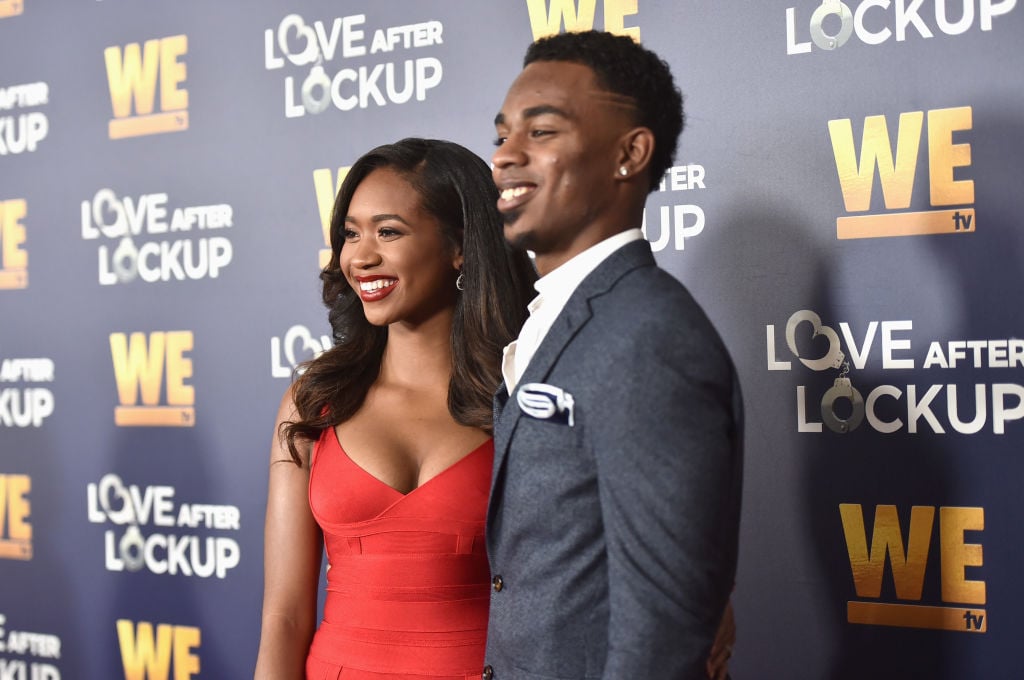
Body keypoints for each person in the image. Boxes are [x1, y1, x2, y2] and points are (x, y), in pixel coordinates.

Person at [484, 31, 744, 680]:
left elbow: (663, 632)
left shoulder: (648, 335)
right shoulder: (557, 314)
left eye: (542, 131)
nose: (506, 155)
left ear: (630, 154)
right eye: (502, 134)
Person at [254, 138, 536, 679]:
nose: (361, 257)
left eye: (388, 232)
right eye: (351, 234)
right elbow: (284, 617)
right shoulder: (314, 402)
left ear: (460, 246)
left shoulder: (524, 395)